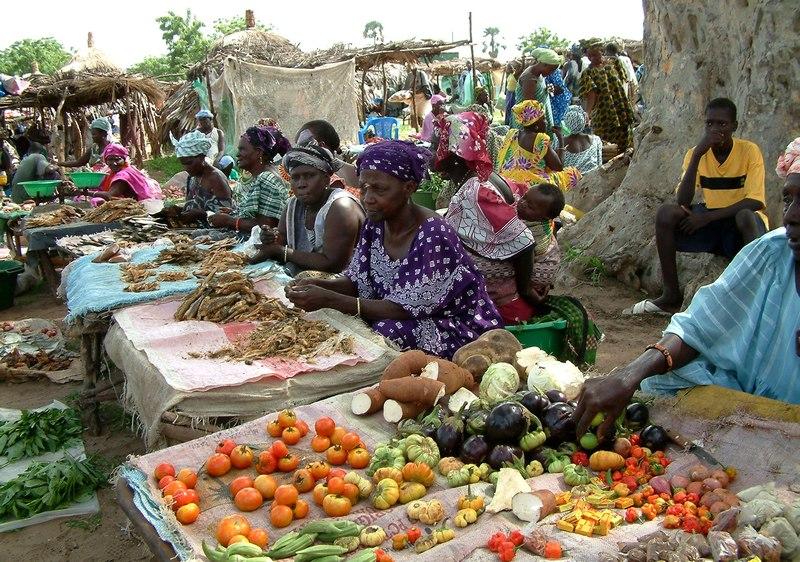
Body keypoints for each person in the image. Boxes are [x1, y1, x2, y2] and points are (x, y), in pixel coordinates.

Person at [575, 139, 800, 436]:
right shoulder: (771, 253)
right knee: (661, 383)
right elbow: (699, 326)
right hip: (757, 397)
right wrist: (629, 374)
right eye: (788, 200)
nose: (791, 216)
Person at [285, 140, 502, 359]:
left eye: (379, 189)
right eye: (363, 188)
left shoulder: (433, 234)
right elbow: (357, 282)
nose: (367, 198)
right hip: (395, 314)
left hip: (455, 326)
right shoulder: (375, 224)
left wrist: (330, 299)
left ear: (409, 188)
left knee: (385, 332)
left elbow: (403, 308)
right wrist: (316, 285)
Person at [625, 98, 768, 315]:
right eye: (710, 124)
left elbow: (755, 200)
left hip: (740, 227)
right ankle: (670, 295)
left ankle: (757, 295)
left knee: (745, 215)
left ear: (734, 126)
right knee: (666, 213)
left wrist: (706, 218)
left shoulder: (749, 151)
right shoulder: (697, 153)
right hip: (713, 224)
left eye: (722, 124)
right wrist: (697, 156)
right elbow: (683, 200)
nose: (715, 129)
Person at [437, 111, 551, 324]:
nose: (435, 151)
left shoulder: (475, 190)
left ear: (454, 153)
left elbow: (523, 240)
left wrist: (526, 290)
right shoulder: (485, 176)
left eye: (439, 143)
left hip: (506, 305)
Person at [251, 145, 365, 275]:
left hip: (345, 281)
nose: (301, 184)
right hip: (307, 278)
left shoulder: (341, 207)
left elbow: (332, 264)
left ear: (326, 179)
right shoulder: (293, 205)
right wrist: (271, 237)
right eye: (295, 178)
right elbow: (281, 239)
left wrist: (280, 251)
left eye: (309, 176)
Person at [209, 125, 290, 234]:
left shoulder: (266, 179)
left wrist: (230, 221)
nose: (237, 155)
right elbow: (259, 215)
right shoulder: (261, 176)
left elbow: (266, 227)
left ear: (258, 152)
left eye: (242, 149)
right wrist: (236, 213)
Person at [497, 100, 582, 192]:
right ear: (536, 125)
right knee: (573, 174)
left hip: (506, 177)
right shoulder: (540, 139)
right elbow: (558, 167)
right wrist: (561, 139)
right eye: (544, 119)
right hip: (526, 184)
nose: (546, 122)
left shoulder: (512, 133)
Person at [579, 39, 635, 152]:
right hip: (604, 113)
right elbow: (591, 94)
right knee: (606, 144)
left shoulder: (615, 63)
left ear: (602, 51)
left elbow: (624, 83)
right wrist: (588, 113)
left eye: (595, 55)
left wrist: (628, 103)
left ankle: (625, 158)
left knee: (625, 140)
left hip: (620, 107)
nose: (592, 58)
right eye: (589, 56)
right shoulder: (588, 73)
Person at [167, 131, 232, 222]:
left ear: (201, 157)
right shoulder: (192, 177)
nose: (186, 168)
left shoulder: (216, 178)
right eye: (183, 164)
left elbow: (227, 216)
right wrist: (180, 210)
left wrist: (201, 214)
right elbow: (193, 205)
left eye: (189, 163)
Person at [512, 48, 563, 133]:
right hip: (532, 124)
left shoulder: (538, 74)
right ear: (544, 64)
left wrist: (546, 89)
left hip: (539, 119)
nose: (551, 73)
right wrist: (541, 129)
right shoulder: (529, 79)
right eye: (551, 70)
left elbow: (537, 90)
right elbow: (530, 108)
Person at [295, 120, 358, 189]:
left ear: (321, 146)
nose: (299, 153)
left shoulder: (326, 181)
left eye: (302, 148)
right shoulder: (356, 171)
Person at [88, 144, 162, 202]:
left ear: (124, 159)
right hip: (131, 201)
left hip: (141, 204)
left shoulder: (124, 175)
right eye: (110, 159)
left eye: (117, 159)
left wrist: (86, 193)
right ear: (106, 161)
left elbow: (110, 195)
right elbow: (101, 188)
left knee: (97, 200)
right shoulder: (112, 172)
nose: (114, 163)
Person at [10, 130, 62, 203]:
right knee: (55, 174)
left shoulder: (26, 159)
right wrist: (57, 166)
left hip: (15, 196)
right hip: (25, 196)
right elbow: (50, 169)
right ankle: (56, 198)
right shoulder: (38, 156)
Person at [561, 106, 603, 174]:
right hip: (591, 178)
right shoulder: (596, 140)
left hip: (569, 179)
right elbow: (599, 165)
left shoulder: (560, 142)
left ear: (566, 122)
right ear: (583, 121)